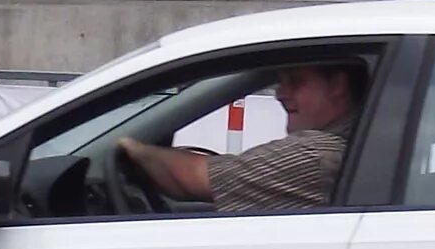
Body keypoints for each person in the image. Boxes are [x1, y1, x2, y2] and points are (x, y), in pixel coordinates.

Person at [116, 62, 363, 213]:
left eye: (295, 82)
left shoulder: (318, 154)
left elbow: (193, 178)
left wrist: (129, 146)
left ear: (337, 85)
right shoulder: (356, 147)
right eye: (281, 82)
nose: (280, 94)